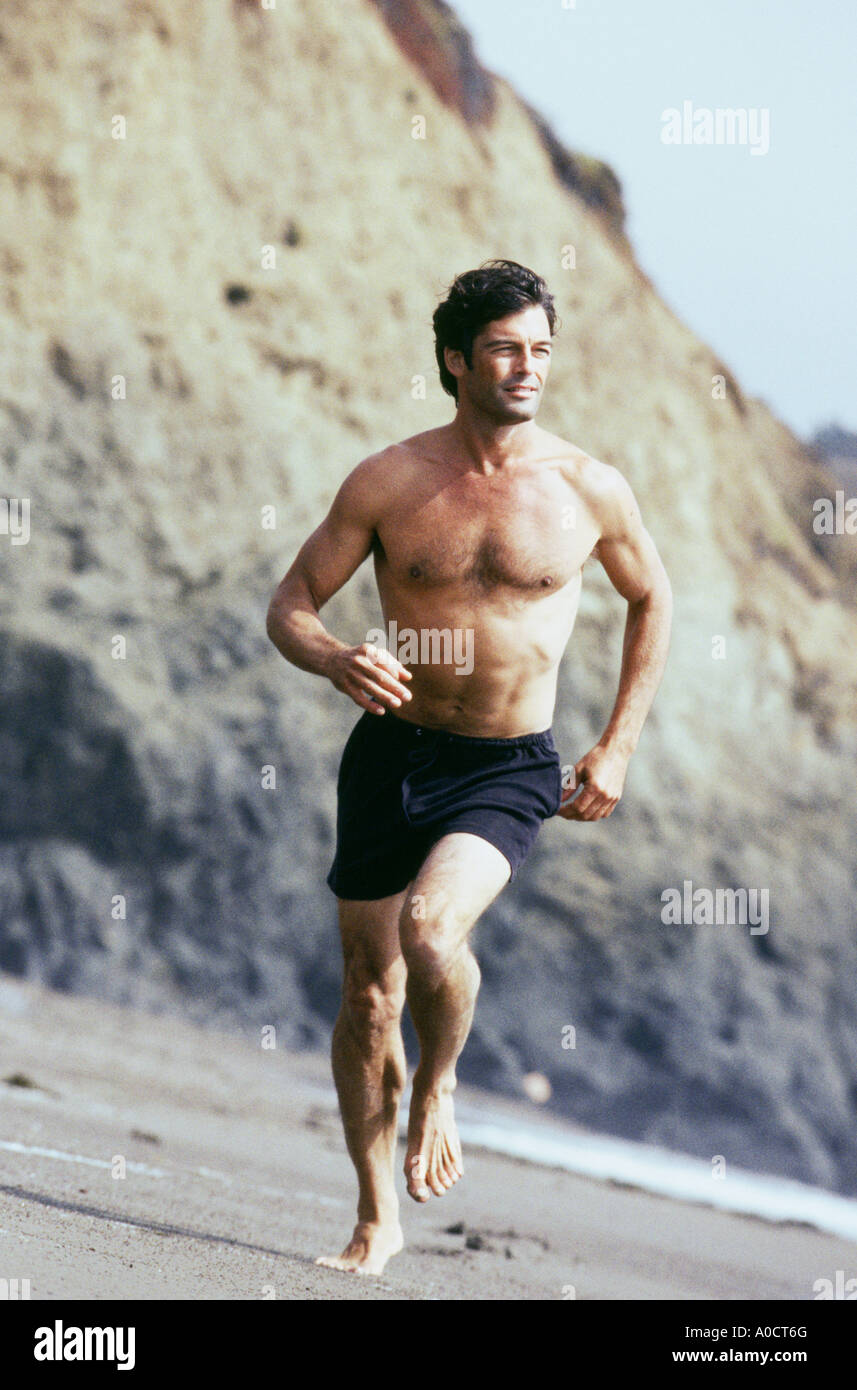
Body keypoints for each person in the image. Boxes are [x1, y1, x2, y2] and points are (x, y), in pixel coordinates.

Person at [265, 260, 672, 1275]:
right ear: (455, 359)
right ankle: (373, 1218)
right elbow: (291, 606)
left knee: (430, 927)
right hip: (392, 756)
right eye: (504, 348)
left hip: (508, 765)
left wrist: (616, 744)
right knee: (367, 996)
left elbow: (652, 598)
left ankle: (442, 1084)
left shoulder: (587, 488)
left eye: (540, 348)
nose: (526, 366)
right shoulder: (390, 481)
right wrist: (336, 656)